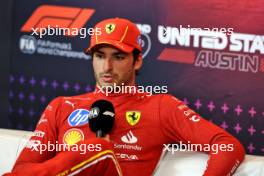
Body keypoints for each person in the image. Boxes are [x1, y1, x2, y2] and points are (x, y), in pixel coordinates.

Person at [5, 18, 245, 176]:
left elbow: (226, 145)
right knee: (96, 148)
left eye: (118, 57)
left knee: (99, 149)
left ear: (137, 60)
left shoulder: (160, 105)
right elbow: (23, 169)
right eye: (100, 56)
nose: (107, 67)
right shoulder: (61, 106)